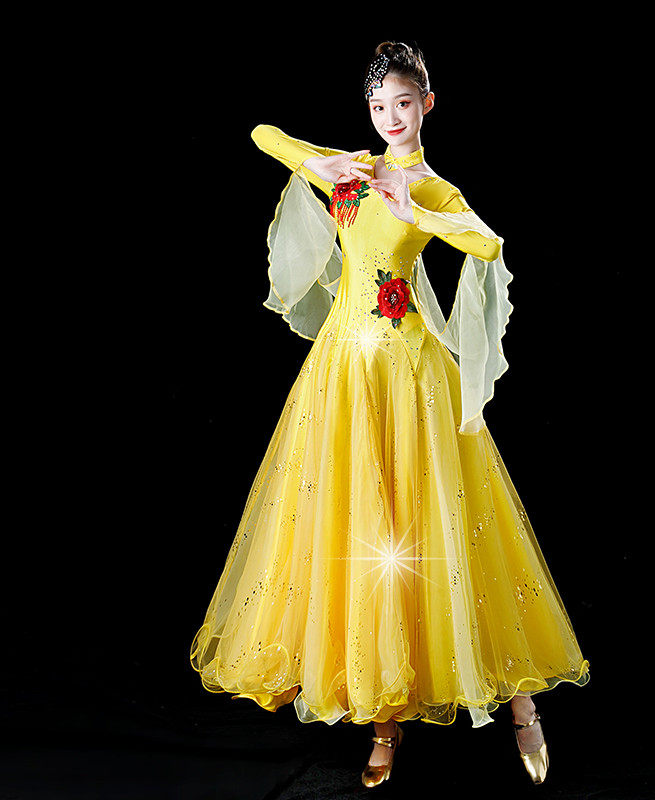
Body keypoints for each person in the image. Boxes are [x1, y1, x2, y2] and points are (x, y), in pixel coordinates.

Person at [189, 40, 590, 788]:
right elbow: (264, 135)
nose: (391, 117)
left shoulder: (432, 185)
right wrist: (334, 163)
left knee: (445, 526)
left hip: (409, 373)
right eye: (378, 106)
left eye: (404, 103)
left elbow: (488, 243)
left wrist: (420, 212)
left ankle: (523, 707)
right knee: (359, 527)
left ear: (427, 104)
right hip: (343, 370)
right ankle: (383, 718)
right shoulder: (354, 170)